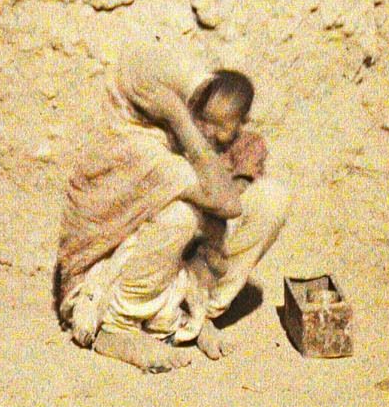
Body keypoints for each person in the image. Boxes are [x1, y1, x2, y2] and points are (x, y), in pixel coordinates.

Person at [53, 43, 288, 373]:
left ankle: (196, 314)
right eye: (198, 115)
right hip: (110, 276)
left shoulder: (186, 135)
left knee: (271, 198)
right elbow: (225, 202)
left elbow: (233, 200)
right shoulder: (138, 142)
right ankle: (118, 329)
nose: (209, 131)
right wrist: (180, 120)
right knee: (182, 216)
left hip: (171, 266)